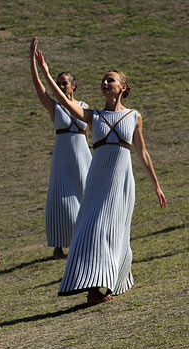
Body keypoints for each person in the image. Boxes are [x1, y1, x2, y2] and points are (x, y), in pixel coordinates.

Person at [34, 41, 166, 305]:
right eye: (103, 80)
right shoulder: (94, 117)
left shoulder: (134, 117)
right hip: (98, 181)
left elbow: (143, 153)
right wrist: (46, 74)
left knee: (118, 231)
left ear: (123, 87)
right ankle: (92, 289)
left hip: (123, 183)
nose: (105, 83)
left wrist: (156, 185)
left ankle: (111, 282)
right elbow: (62, 100)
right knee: (93, 228)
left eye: (111, 80)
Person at [30, 37, 92, 259]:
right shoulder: (54, 107)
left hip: (82, 154)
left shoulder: (84, 107)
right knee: (61, 196)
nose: (61, 86)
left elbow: (86, 133)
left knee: (86, 193)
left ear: (73, 85)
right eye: (58, 82)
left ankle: (85, 238)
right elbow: (39, 88)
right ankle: (59, 245)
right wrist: (33, 62)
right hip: (62, 155)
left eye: (64, 82)